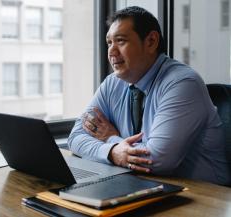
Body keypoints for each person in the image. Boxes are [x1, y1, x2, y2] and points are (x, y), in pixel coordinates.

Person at [67, 6, 231, 186]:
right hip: (145, 186)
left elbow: (156, 160)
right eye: (109, 43)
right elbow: (75, 137)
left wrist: (110, 138)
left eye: (120, 41)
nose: (112, 52)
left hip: (204, 198)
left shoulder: (183, 83)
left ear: (151, 41)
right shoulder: (112, 83)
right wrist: (113, 151)